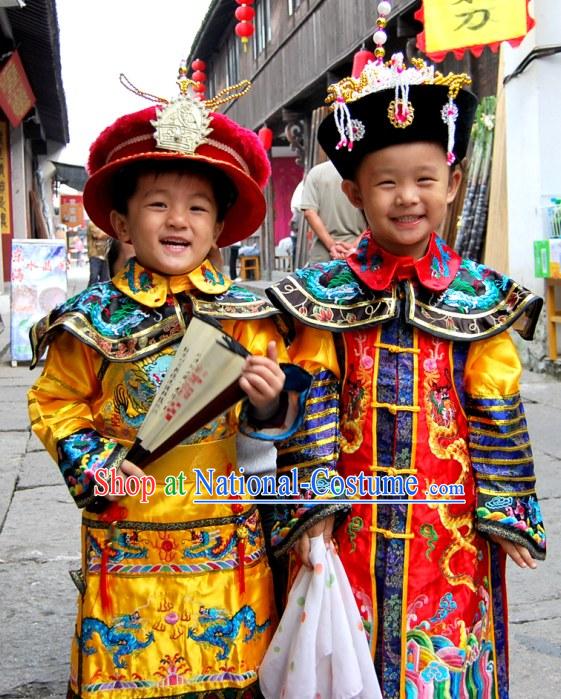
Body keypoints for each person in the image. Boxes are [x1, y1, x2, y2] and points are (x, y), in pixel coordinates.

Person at [267, 53, 546, 698]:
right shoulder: (322, 298)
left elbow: (494, 404)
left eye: (425, 178)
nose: (408, 197)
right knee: (346, 659)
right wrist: (310, 505)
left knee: (441, 663)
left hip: (447, 527)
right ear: (355, 192)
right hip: (349, 521)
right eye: (386, 182)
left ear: (453, 184)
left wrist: (507, 508)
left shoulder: (481, 299)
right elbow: (312, 401)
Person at [27, 71, 311, 699]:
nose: (178, 220)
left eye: (198, 208)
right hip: (128, 530)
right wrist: (97, 465)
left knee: (231, 676)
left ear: (219, 230)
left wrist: (269, 401)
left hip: (224, 534)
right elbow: (55, 402)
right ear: (122, 225)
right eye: (157, 204)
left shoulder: (251, 313)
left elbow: (276, 420)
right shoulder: (91, 320)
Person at [299, 157, 366, 263]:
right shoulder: (364, 171)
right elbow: (379, 214)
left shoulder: (316, 173)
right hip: (360, 252)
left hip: (323, 256)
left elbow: (309, 213)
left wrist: (332, 246)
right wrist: (355, 245)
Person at [86, 220, 111, 284]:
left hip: (105, 255)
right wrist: (112, 233)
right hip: (95, 255)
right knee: (94, 278)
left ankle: (102, 293)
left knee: (105, 279)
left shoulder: (106, 223)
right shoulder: (92, 223)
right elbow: (99, 235)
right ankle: (91, 293)